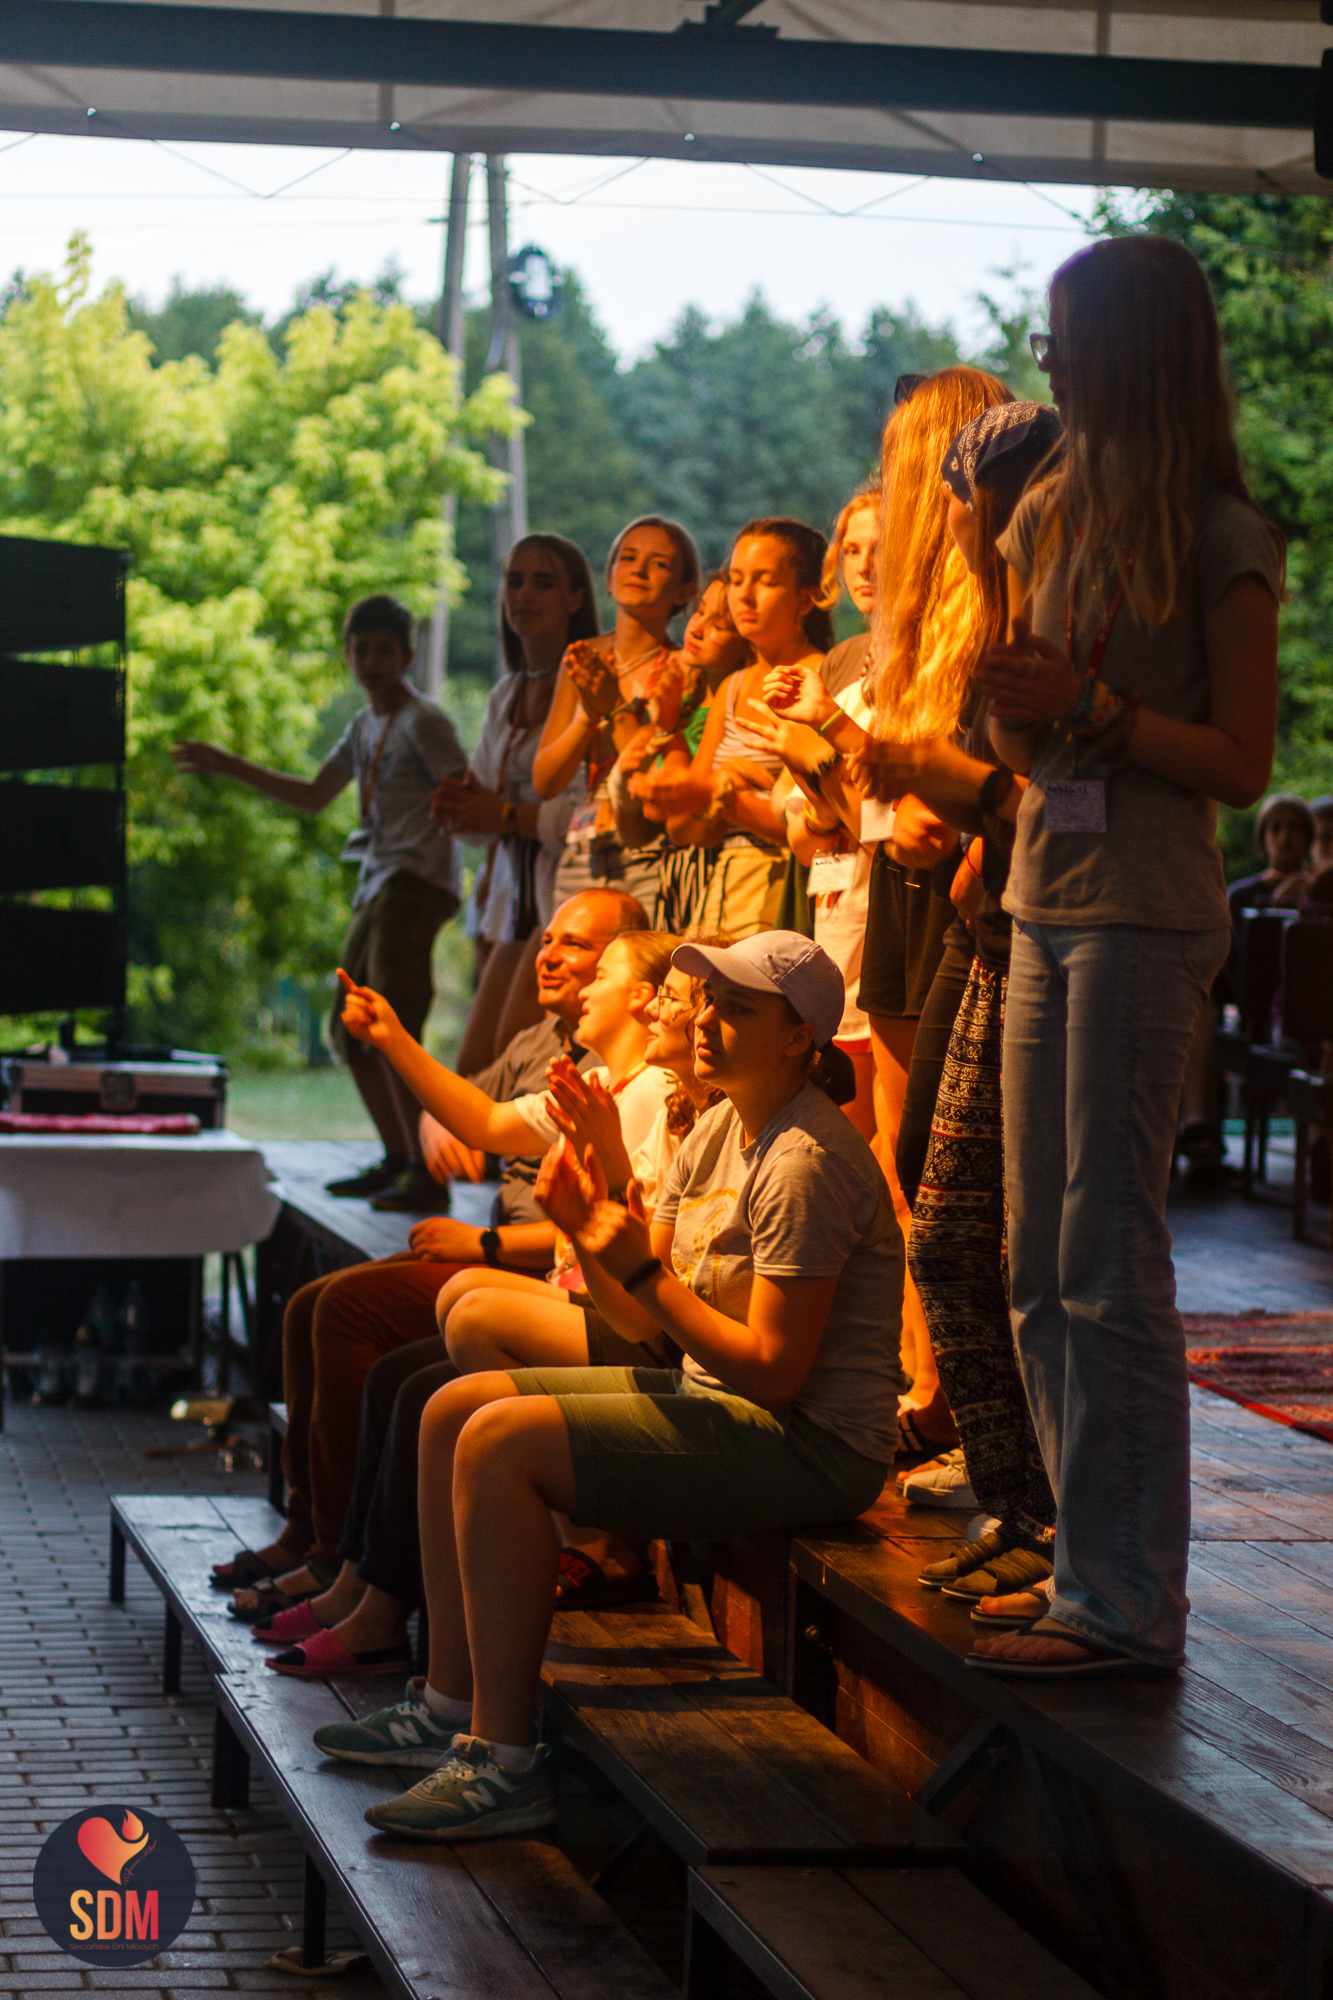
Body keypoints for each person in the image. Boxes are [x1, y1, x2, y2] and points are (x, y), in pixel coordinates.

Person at [317, 934, 902, 1838]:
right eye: (707, 1002)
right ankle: (445, 1703)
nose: (705, 1020)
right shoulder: (720, 1127)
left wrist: (634, 1264)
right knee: (452, 1406)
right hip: (724, 1400)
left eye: (737, 1008)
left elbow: (775, 1372)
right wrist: (590, 1222)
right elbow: (635, 1322)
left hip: (814, 1444)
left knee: (499, 1441)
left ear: (799, 1039)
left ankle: (502, 1760)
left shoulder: (804, 1160)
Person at [967, 234, 1283, 1676]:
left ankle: (1125, 1603)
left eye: (1064, 340)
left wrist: (1093, 709)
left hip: (1147, 911)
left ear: (1133, 351)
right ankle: (1072, 1562)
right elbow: (1018, 741)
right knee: (1034, 1259)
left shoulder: (1221, 533)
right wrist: (1010, 699)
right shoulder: (1048, 507)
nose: (1048, 366)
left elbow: (1240, 760)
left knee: (1107, 1256)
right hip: (1042, 893)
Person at [260, 956, 722, 1690]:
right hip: (604, 1301)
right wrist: (392, 1039)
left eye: (593, 961)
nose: (555, 961)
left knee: (428, 1370)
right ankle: (352, 1581)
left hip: (629, 1319)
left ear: (641, 997)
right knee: (399, 1361)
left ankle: (438, 1607)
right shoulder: (604, 1082)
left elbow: (640, 1263)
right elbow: (486, 1122)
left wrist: (495, 1240)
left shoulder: (664, 1097)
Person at [211, 889, 647, 1618]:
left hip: (533, 1264)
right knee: (312, 1302)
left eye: (578, 949)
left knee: (359, 1325)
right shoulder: (546, 1043)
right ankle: (308, 1535)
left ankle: (344, 1567)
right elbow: (472, 1113)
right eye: (545, 939)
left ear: (635, 982)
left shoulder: (632, 1084)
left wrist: (485, 1240)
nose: (546, 956)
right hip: (521, 1254)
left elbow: (609, 1226)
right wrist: (405, 1069)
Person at [837, 400, 1064, 1615]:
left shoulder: (1040, 607)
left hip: (1059, 931)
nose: (933, 504)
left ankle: (1064, 1523)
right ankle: (1017, 1495)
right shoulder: (973, 607)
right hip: (989, 920)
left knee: (1047, 1246)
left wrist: (966, 798)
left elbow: (1075, 788)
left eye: (934, 478)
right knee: (942, 1202)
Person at [762, 370, 1010, 1457]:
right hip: (905, 898)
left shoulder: (985, 595)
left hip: (965, 898)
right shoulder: (901, 626)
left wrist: (839, 749)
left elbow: (975, 780)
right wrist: (830, 758)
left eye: (901, 452)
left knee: (952, 1183)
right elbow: (852, 809)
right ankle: (934, 1393)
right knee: (917, 1175)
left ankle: (970, 1415)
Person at [172, 595, 467, 1206]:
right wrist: (228, 765)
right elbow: (313, 795)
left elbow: (466, 791)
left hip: (416, 882)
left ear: (408, 656)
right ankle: (397, 1157)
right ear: (347, 655)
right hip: (379, 880)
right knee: (348, 1028)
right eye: (362, 650)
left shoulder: (424, 722)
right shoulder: (363, 727)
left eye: (384, 650)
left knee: (394, 1024)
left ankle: (427, 1173)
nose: (372, 662)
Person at [432, 535, 600, 1086]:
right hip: (510, 902)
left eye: (543, 583)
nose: (524, 594)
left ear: (575, 598)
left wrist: (503, 815)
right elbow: (480, 818)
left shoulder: (591, 684)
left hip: (566, 897)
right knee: (477, 1072)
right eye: (515, 581)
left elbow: (587, 814)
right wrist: (458, 807)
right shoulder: (505, 693)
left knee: (510, 1072)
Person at [666, 519, 835, 938]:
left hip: (784, 888)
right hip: (720, 886)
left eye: (766, 581)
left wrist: (723, 797)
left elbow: (818, 821)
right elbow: (682, 826)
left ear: (806, 597)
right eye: (738, 579)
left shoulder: (820, 679)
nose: (744, 594)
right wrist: (720, 789)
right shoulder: (734, 686)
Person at [533, 515, 700, 912]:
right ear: (609, 578)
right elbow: (545, 782)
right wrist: (587, 718)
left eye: (659, 563)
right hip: (582, 847)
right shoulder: (583, 658)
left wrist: (615, 707)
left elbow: (663, 783)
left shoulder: (685, 669)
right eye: (628, 558)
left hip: (649, 855)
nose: (639, 570)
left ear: (683, 591)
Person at [612, 574, 750, 934]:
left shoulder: (730, 709)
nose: (698, 629)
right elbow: (648, 815)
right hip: (674, 873)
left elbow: (677, 816)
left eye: (720, 626)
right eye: (699, 612)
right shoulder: (689, 700)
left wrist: (668, 727)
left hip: (709, 870)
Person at [819, 478, 879, 700]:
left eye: (880, 549)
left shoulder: (938, 656)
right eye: (853, 551)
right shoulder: (839, 660)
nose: (864, 568)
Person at [1226, 792, 1313, 923]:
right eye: (1276, 828)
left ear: (1308, 836)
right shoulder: (1240, 896)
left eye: (1294, 827)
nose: (1285, 837)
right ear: (1262, 838)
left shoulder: (1319, 893)